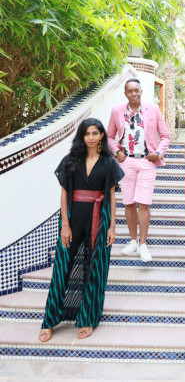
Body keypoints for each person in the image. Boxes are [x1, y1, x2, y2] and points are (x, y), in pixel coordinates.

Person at [38, 118, 124, 342]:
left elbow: (112, 196)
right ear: (82, 136)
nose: (91, 137)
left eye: (95, 133)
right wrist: (65, 225)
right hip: (73, 217)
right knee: (61, 267)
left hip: (100, 218)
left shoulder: (109, 162)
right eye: (87, 133)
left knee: (95, 268)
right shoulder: (70, 160)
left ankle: (88, 318)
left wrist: (112, 226)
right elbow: (64, 193)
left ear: (102, 135)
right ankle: (49, 320)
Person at [107, 78, 170, 262]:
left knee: (144, 203)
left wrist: (158, 153)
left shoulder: (153, 110)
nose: (134, 93)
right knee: (128, 202)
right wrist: (117, 152)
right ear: (125, 94)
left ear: (141, 91)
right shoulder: (117, 111)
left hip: (146, 162)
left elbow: (165, 136)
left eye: (136, 90)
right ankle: (133, 241)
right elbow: (109, 137)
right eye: (130, 91)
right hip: (126, 161)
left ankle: (143, 244)